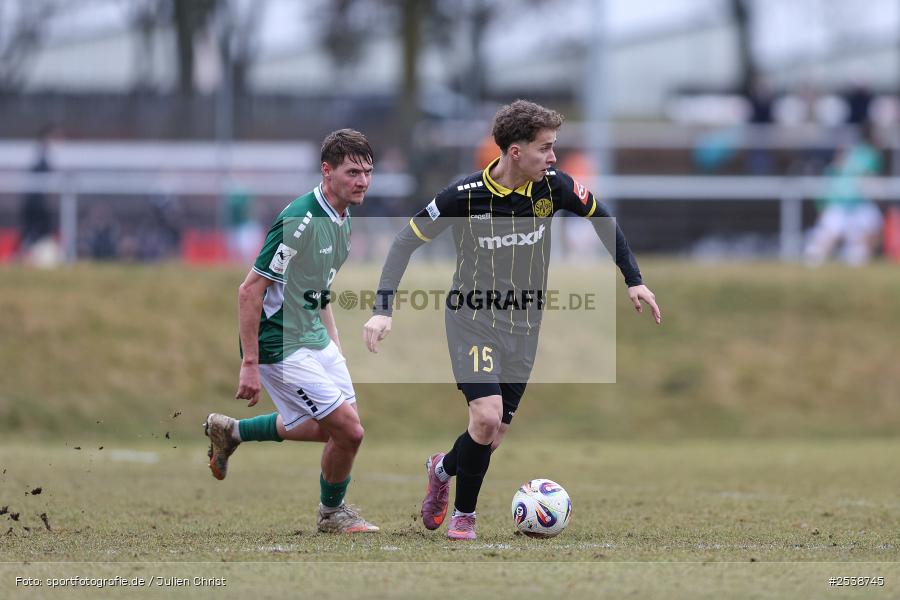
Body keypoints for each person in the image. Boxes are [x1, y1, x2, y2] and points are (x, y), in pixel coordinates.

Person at [363, 100, 661, 540]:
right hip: (472, 318)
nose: (553, 157)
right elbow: (404, 242)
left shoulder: (555, 188)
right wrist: (382, 309)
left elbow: (602, 220)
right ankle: (464, 519)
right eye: (546, 148)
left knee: (491, 434)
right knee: (485, 418)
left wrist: (633, 280)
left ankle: (441, 469)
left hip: (524, 327)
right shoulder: (463, 196)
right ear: (516, 152)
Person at [205, 129, 379, 534]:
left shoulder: (343, 218)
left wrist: (333, 343)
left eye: (368, 172)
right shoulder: (300, 220)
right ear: (326, 171)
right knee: (350, 431)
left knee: (335, 430)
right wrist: (250, 363)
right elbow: (250, 290)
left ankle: (232, 431)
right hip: (278, 344)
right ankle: (332, 515)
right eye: (353, 172)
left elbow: (318, 290)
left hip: (312, 338)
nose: (363, 181)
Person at [805, 124, 883, 266]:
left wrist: (822, 204)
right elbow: (869, 182)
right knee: (829, 241)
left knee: (841, 241)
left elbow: (830, 179)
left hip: (846, 204)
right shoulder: (869, 155)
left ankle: (850, 253)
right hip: (850, 204)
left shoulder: (847, 156)